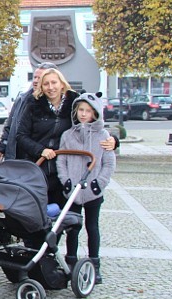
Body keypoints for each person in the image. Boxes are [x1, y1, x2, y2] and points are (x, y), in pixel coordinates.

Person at [57, 92, 116, 284]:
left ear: (95, 113)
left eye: (88, 111)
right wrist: (65, 180)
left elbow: (108, 163)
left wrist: (99, 183)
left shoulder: (103, 136)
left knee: (92, 227)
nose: (83, 114)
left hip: (93, 190)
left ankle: (94, 264)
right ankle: (71, 262)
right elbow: (62, 160)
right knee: (72, 228)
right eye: (80, 110)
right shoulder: (68, 135)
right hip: (72, 190)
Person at [16, 68, 81, 207]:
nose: (51, 87)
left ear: (62, 84)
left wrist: (112, 140)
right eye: (46, 84)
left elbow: (91, 125)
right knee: (40, 214)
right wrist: (41, 150)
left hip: (66, 168)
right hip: (40, 168)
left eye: (54, 82)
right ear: (41, 86)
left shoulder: (75, 104)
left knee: (66, 216)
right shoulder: (33, 105)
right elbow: (21, 136)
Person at [0, 62, 58, 162]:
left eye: (40, 78)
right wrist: (1, 149)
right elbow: (10, 126)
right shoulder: (22, 99)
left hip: (42, 160)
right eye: (35, 77)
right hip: (17, 158)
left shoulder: (58, 104)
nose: (36, 81)